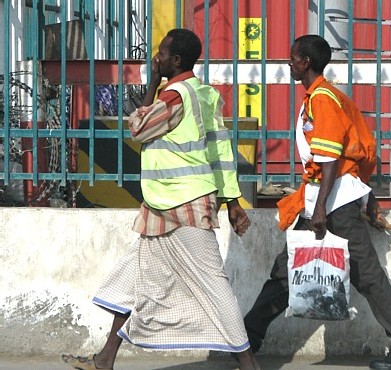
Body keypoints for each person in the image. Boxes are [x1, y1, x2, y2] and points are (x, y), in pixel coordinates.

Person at [61, 28, 260, 370]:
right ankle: (104, 359)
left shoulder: (175, 96)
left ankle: (248, 364)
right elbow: (222, 154)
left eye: (162, 54)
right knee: (132, 280)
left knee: (213, 285)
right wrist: (232, 202)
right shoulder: (203, 94)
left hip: (180, 206)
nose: (157, 58)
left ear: (176, 60)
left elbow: (138, 128)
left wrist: (152, 81)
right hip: (166, 206)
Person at [239, 35, 391, 370]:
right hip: (327, 199)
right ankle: (245, 341)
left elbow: (330, 160)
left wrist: (319, 209)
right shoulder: (323, 97)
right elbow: (350, 155)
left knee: (365, 275)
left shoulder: (323, 100)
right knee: (286, 272)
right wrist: (362, 194)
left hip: (331, 204)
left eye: (293, 58)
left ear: (306, 62)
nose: (289, 63)